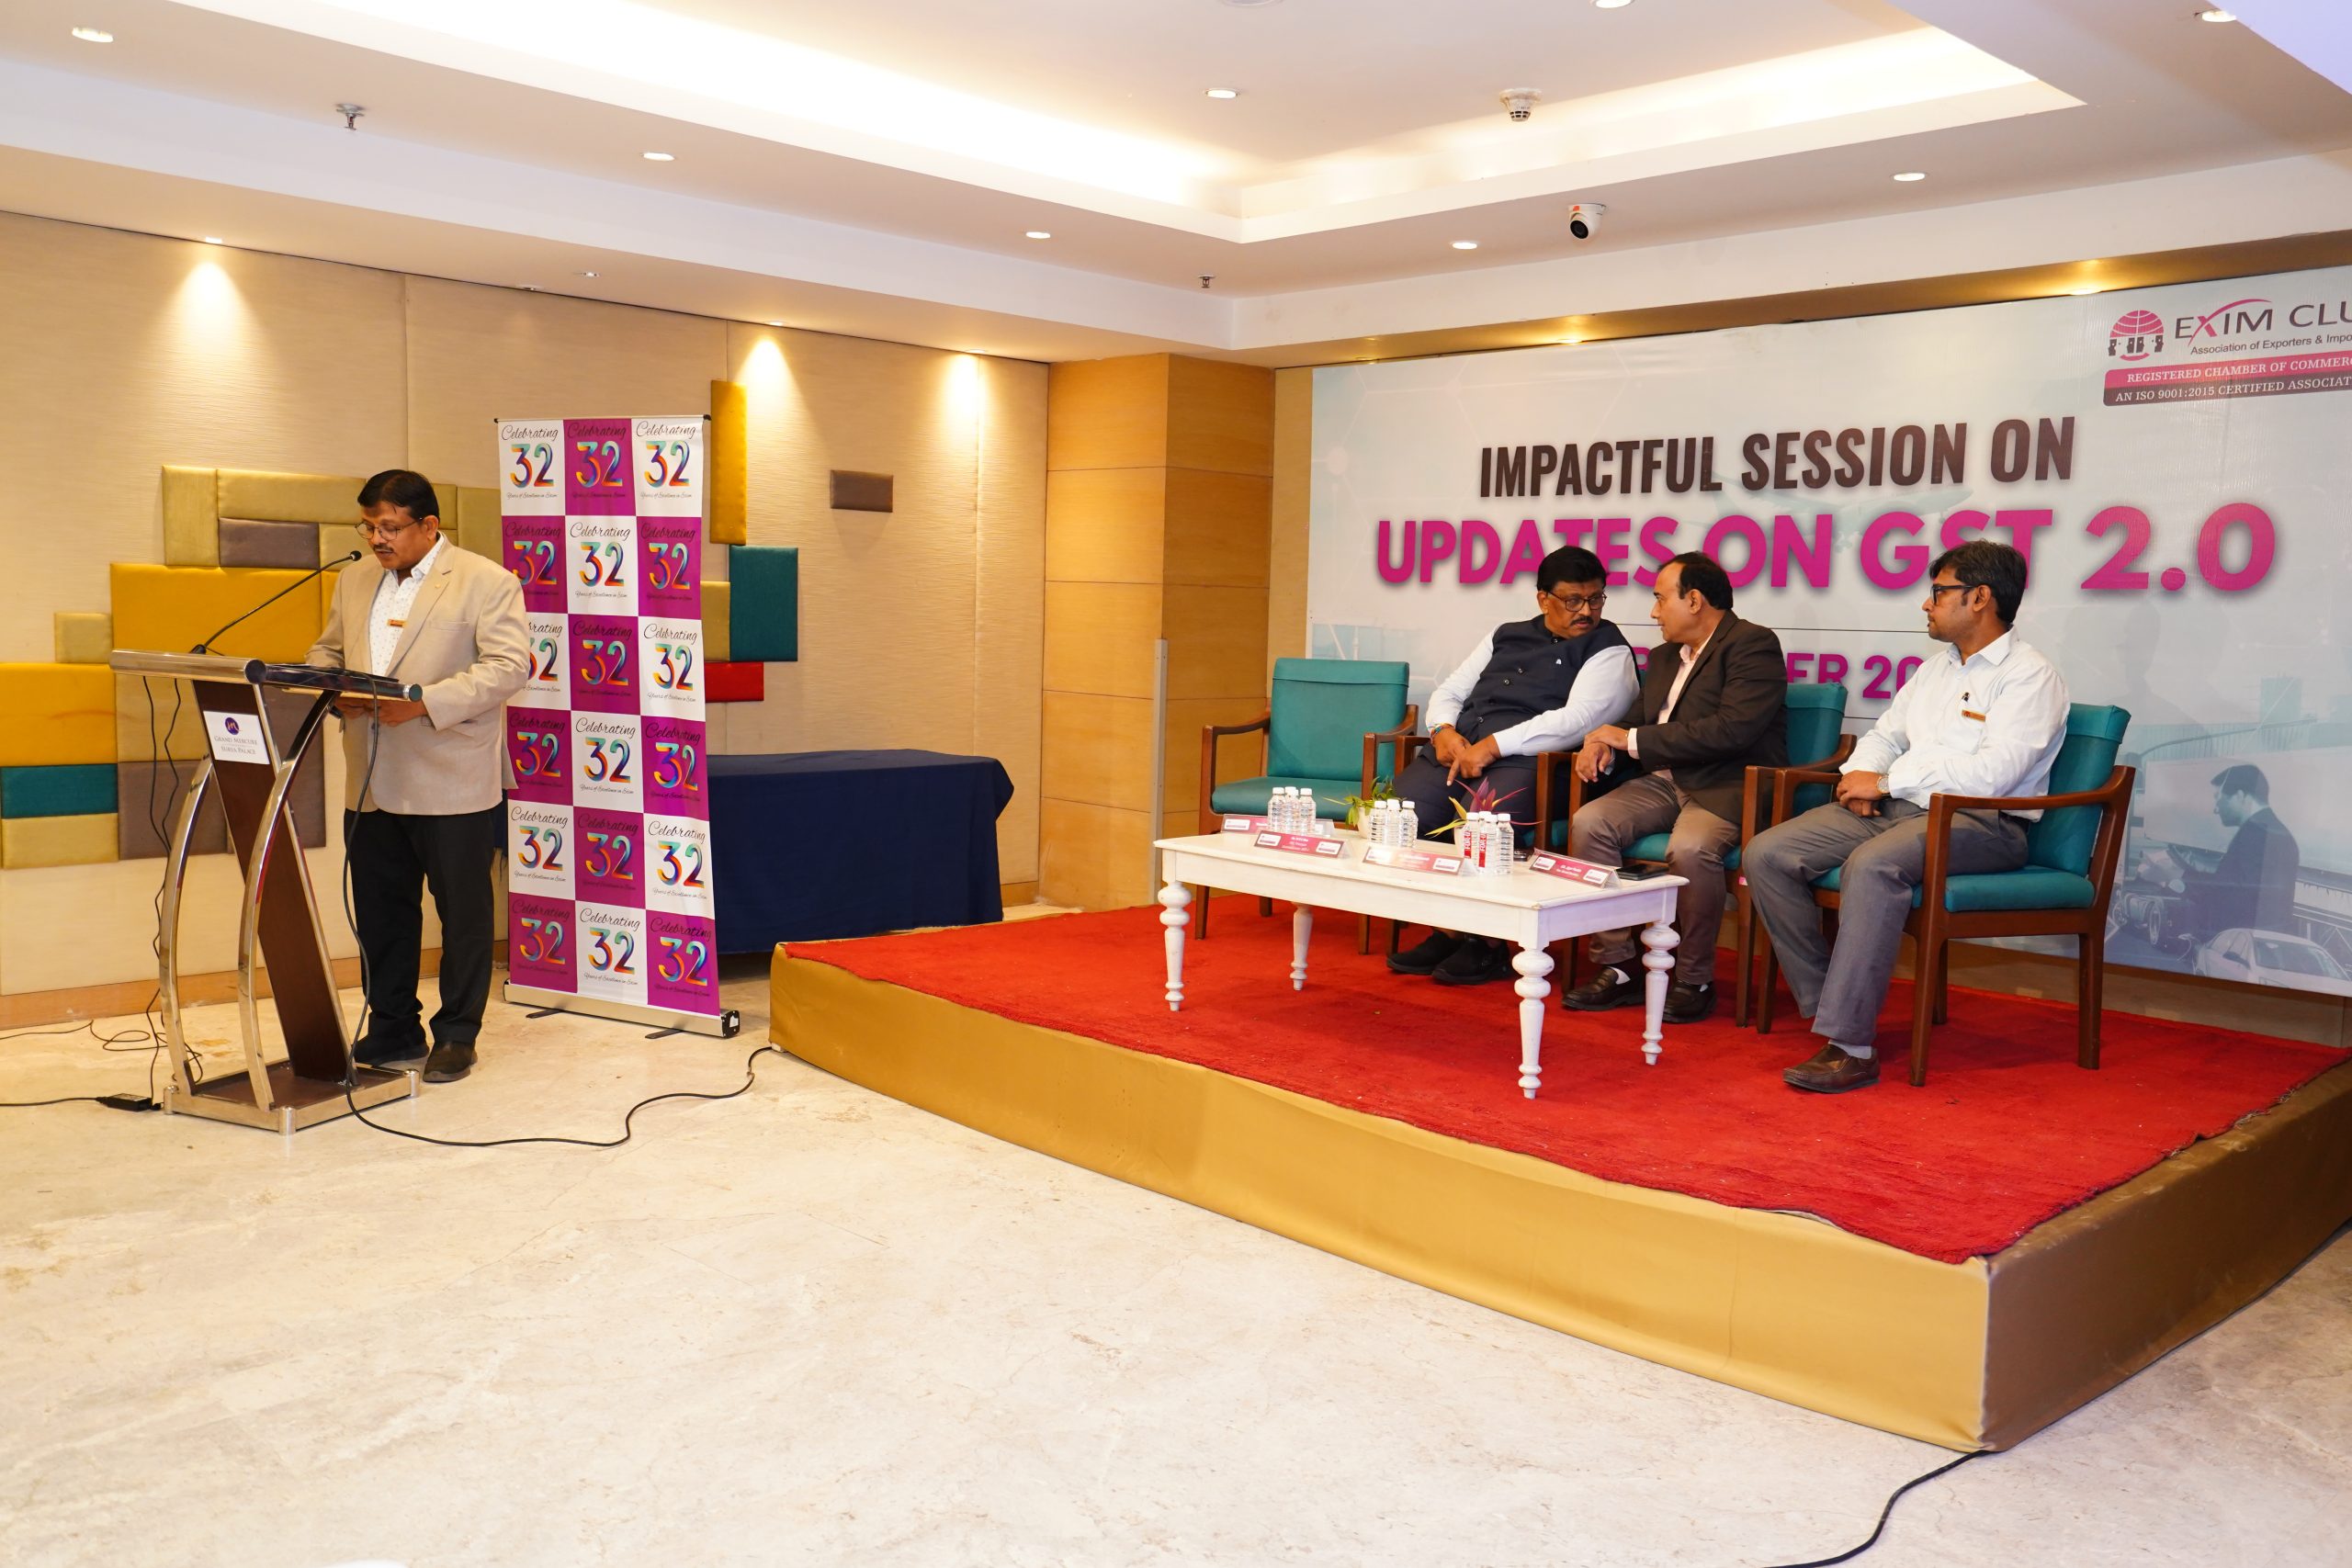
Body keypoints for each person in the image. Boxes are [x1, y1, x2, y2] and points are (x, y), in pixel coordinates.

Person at [1745, 540, 2067, 1092]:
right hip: (1897, 810)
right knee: (1768, 853)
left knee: (1872, 866)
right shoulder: (1935, 670)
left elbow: (1993, 775)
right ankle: (1830, 1004)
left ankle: (1850, 1045)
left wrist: (1890, 782)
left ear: (1980, 598)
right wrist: (1861, 777)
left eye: (1939, 592)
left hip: (1982, 823)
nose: (1926, 604)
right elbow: (1884, 735)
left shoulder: (2030, 676)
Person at [308, 469, 529, 1083]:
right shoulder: (354, 578)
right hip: (370, 778)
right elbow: (329, 650)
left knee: (462, 915)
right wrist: (329, 686)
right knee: (382, 911)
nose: (377, 539)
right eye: (368, 527)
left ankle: (457, 1033)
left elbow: (509, 666)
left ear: (429, 525)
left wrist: (425, 702)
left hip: (451, 776)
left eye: (389, 527)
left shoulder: (486, 580)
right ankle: (393, 1026)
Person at [1387, 546, 1638, 985]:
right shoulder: (1505, 634)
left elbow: (1578, 721)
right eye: (1573, 600)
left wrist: (1494, 746)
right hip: (1465, 750)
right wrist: (1443, 729)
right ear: (1543, 598)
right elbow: (1452, 689)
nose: (1587, 611)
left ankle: (1487, 943)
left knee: (1486, 825)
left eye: (1596, 598)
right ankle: (1446, 930)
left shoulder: (1609, 648)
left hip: (1535, 763)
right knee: (1405, 814)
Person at [1558, 553, 1788, 1022]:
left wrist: (1629, 739)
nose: (1654, 611)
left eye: (1661, 599)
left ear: (1695, 600)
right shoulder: (1666, 656)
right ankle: (1619, 966)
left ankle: (1693, 977)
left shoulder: (1752, 645)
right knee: (1590, 823)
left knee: (1690, 850)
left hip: (1725, 783)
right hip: (1665, 778)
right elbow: (1640, 719)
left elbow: (1732, 730)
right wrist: (1602, 740)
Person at [2142, 764, 2300, 942]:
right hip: (2254, 941)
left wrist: (2178, 876)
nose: (2216, 809)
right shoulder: (2271, 830)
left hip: (2242, 942)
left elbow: (2233, 894)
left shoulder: (2256, 834)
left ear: (2240, 796)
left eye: (2219, 798)